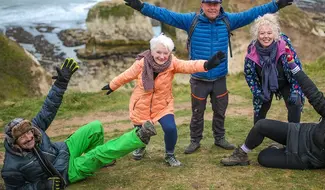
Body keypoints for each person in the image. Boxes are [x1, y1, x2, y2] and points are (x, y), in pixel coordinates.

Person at [123, 0, 295, 154]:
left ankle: (219, 138)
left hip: (220, 78)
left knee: (220, 111)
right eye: (209, 3)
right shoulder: (191, 20)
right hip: (199, 79)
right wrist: (141, 6)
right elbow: (164, 15)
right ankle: (195, 141)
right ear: (202, 4)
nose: (212, 7)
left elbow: (253, 13)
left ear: (220, 4)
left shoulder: (228, 21)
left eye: (215, 3)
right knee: (197, 113)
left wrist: (277, 4)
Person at [1, 58, 157, 190]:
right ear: (15, 143)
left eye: (28, 132)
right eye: (22, 137)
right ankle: (139, 136)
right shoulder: (10, 167)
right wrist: (43, 185)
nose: (29, 137)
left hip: (65, 149)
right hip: (65, 172)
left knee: (95, 127)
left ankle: (99, 161)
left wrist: (61, 83)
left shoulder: (36, 128)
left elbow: (49, 107)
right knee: (97, 154)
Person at [220, 60, 325, 189]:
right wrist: (295, 68)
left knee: (263, 158)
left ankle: (279, 149)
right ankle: (241, 154)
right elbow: (314, 93)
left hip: (304, 159)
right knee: (261, 125)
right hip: (299, 132)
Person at [101, 34, 225, 166]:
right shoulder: (141, 63)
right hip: (141, 105)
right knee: (141, 132)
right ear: (151, 51)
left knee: (171, 128)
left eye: (165, 53)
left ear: (170, 53)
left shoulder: (172, 63)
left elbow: (189, 65)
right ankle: (141, 146)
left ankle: (169, 155)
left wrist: (206, 65)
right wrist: (112, 85)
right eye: (158, 52)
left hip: (163, 104)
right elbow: (126, 75)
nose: (162, 56)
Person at [243, 14, 304, 124]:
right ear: (257, 35)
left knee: (295, 104)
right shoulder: (252, 51)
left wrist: (295, 90)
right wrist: (257, 92)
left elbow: (296, 68)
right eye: (262, 33)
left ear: (275, 34)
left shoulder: (285, 47)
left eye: (269, 33)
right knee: (260, 110)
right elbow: (249, 75)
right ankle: (255, 137)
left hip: (285, 82)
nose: (266, 36)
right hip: (264, 85)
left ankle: (293, 134)